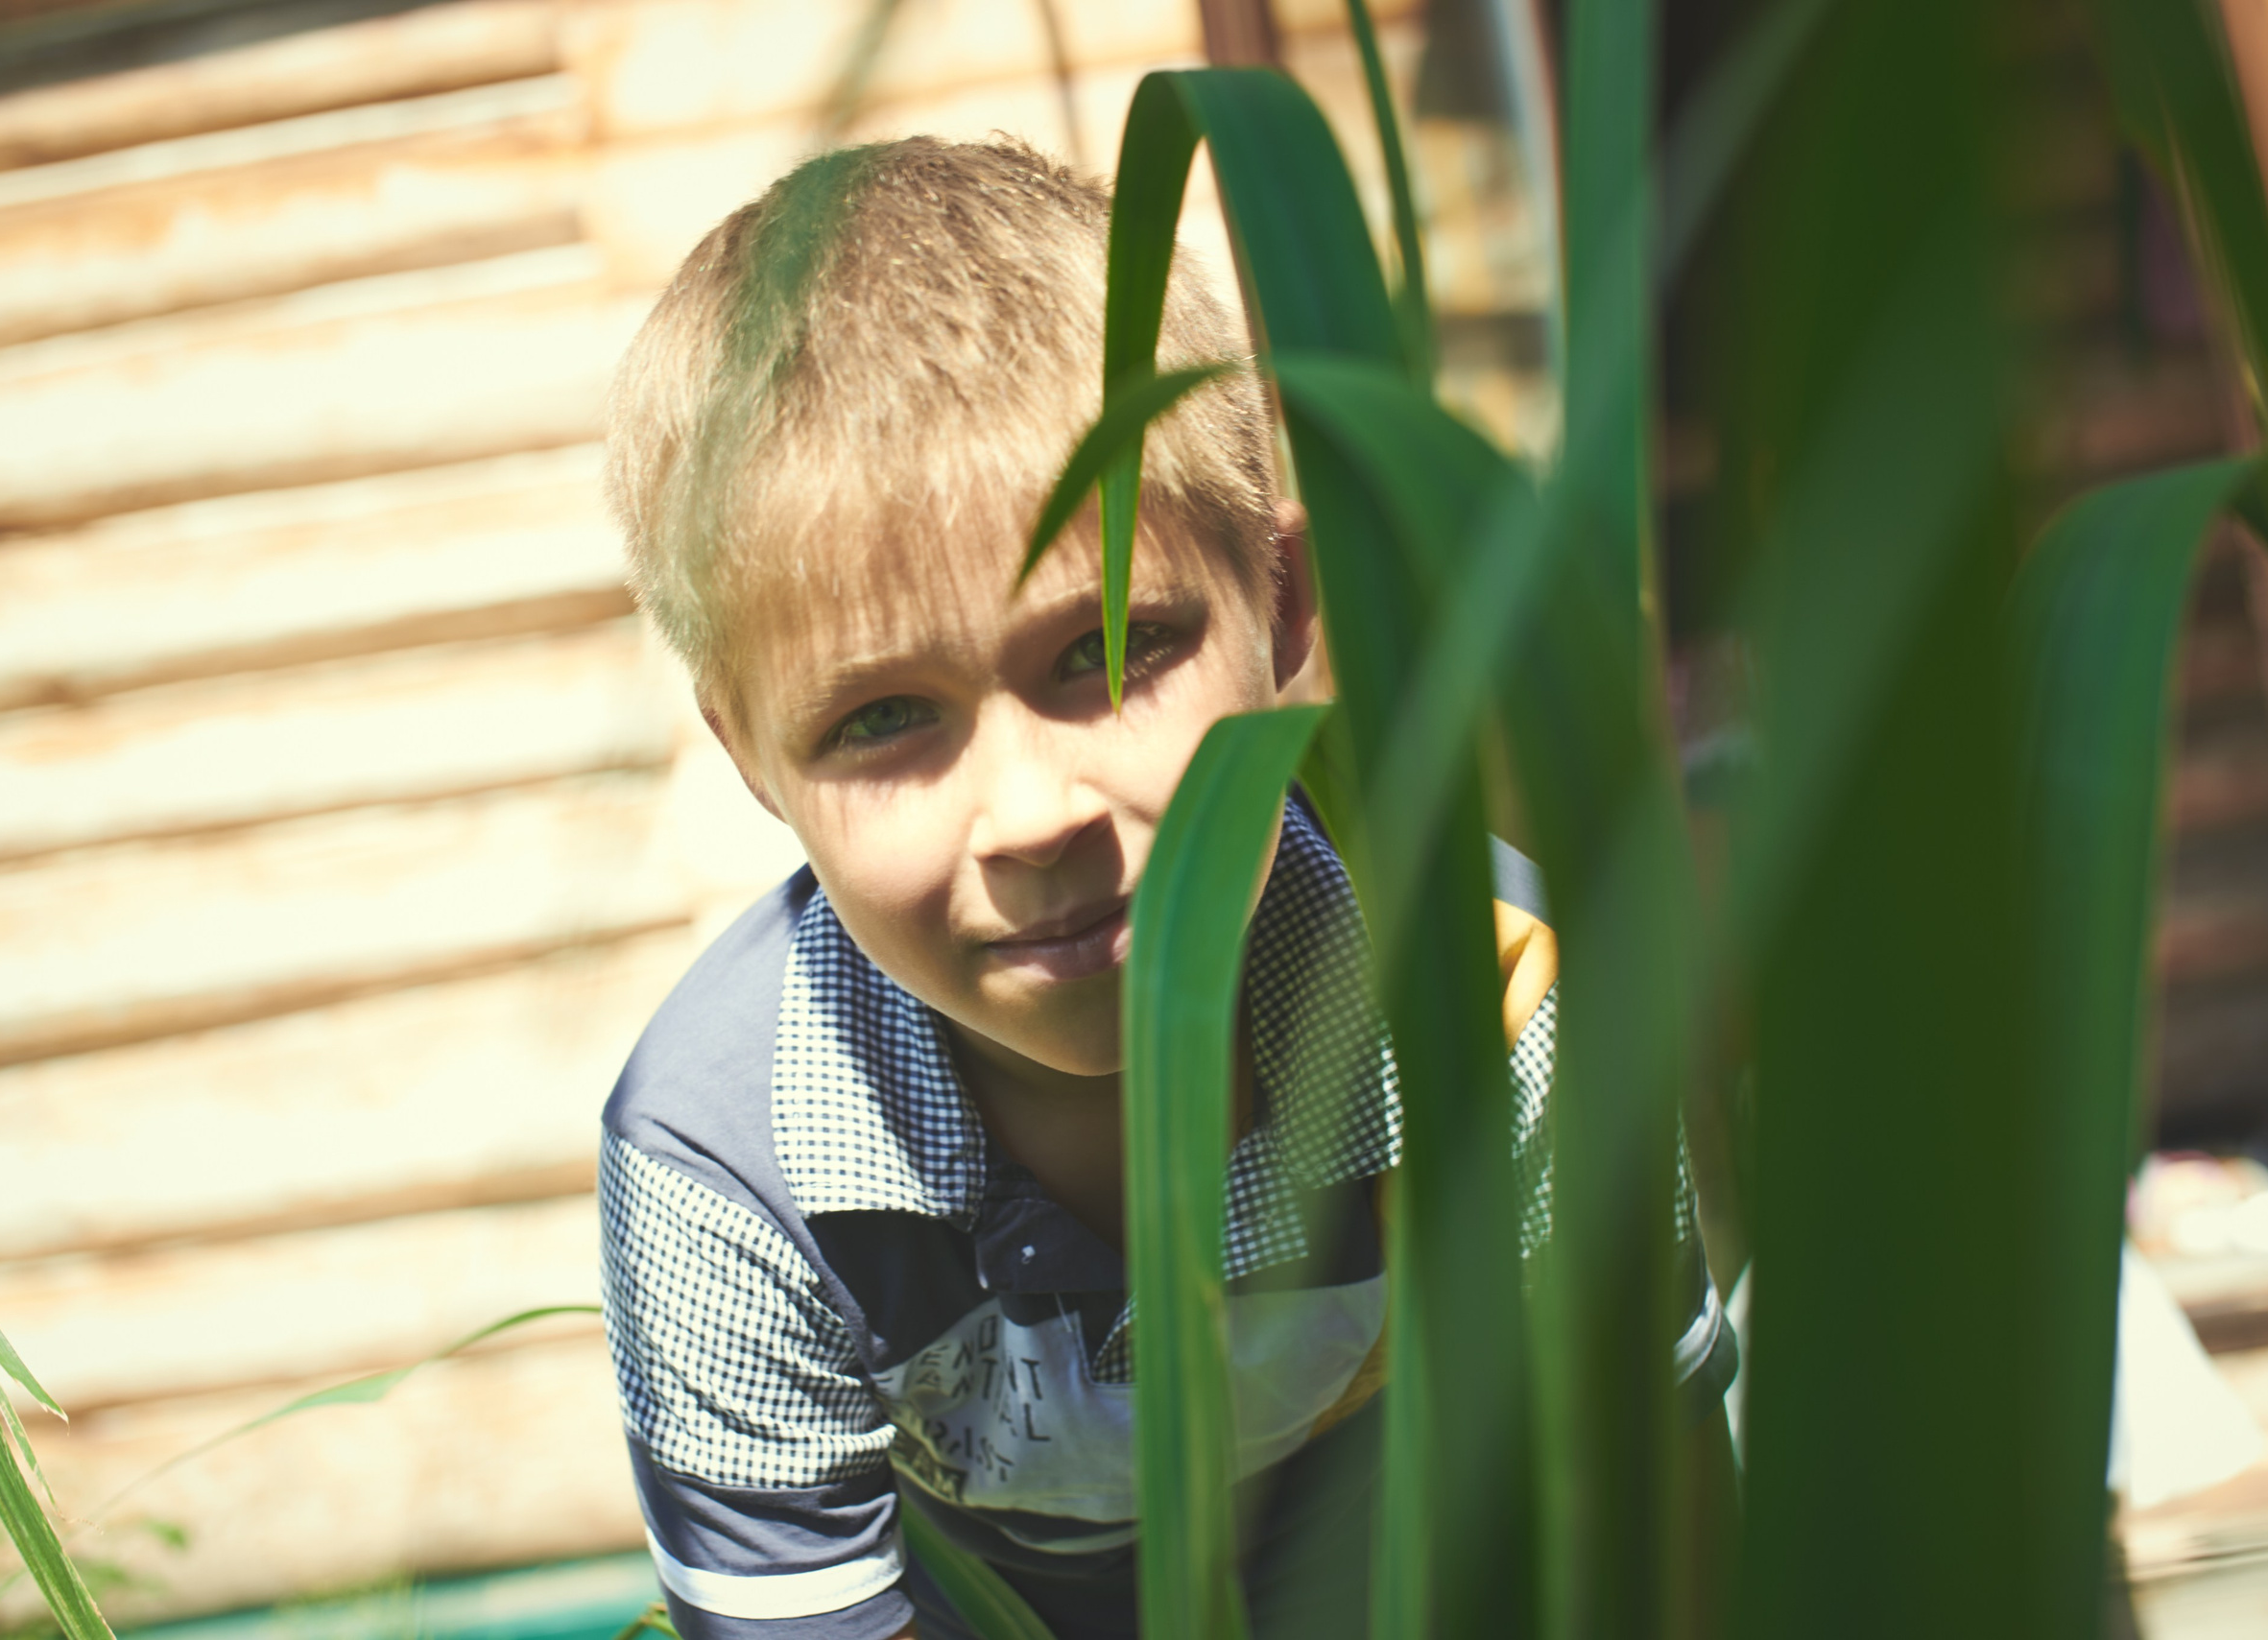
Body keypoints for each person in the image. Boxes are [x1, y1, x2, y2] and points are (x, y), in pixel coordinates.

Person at [595, 135, 1734, 1640]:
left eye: (1111, 650)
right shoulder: (723, 1164)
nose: (1032, 814)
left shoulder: (1493, 990)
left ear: (1285, 602)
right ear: (753, 761)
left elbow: (1667, 1529)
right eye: (881, 719)